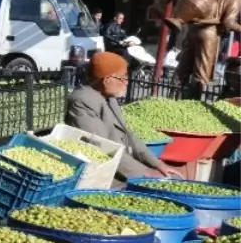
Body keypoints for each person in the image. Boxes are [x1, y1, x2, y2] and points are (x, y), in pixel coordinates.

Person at [66, 52, 181, 181]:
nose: (126, 82)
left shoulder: (109, 98)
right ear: (107, 80)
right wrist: (144, 172)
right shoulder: (82, 102)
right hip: (102, 175)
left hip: (121, 167)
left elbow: (127, 135)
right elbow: (102, 147)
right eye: (123, 78)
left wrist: (157, 164)